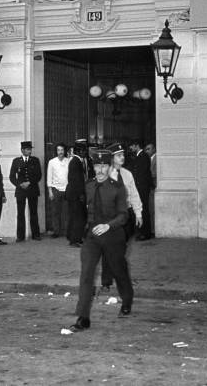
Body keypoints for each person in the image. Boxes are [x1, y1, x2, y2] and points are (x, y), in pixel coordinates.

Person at [68, 150, 133, 333]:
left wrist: (108, 226)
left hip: (113, 236)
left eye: (104, 166)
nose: (101, 170)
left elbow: (123, 216)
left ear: (110, 166)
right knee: (87, 273)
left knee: (119, 270)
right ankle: (83, 317)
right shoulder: (88, 186)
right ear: (93, 167)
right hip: (92, 237)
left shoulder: (117, 188)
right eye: (97, 166)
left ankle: (127, 299)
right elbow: (82, 210)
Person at [100, 142, 143, 290]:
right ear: (112, 158)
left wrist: (138, 213)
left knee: (122, 249)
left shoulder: (127, 174)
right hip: (111, 217)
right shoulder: (104, 174)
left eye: (123, 155)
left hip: (126, 215)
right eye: (119, 155)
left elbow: (134, 194)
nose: (122, 157)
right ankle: (106, 280)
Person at [9, 141, 42, 242]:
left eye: (30, 149)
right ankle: (20, 236)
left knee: (33, 212)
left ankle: (35, 234)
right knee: (20, 213)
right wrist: (19, 184)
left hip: (32, 189)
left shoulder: (35, 160)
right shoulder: (16, 161)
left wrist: (29, 182)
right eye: (28, 149)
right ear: (22, 150)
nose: (30, 151)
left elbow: (39, 175)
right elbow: (11, 177)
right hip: (21, 191)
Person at [128, 139, 153, 240]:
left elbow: (141, 174)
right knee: (140, 209)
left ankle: (145, 233)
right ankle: (141, 231)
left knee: (143, 210)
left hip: (142, 188)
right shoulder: (139, 156)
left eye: (131, 146)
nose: (130, 148)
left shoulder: (143, 156)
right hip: (140, 187)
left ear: (136, 146)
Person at [66, 140, 87, 248]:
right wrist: (81, 194)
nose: (85, 153)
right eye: (84, 151)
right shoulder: (76, 161)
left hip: (73, 193)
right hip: (75, 194)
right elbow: (76, 180)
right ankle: (74, 240)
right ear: (79, 151)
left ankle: (73, 237)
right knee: (78, 217)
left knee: (75, 216)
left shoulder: (75, 161)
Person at [47, 143, 69, 239]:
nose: (60, 152)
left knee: (66, 212)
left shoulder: (68, 161)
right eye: (58, 150)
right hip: (55, 190)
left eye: (62, 150)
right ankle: (56, 231)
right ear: (56, 151)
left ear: (64, 151)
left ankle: (66, 231)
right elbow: (49, 177)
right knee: (55, 212)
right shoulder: (52, 162)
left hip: (67, 190)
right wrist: (50, 191)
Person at [144, 142, 156, 234]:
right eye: (146, 149)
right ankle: (152, 229)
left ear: (154, 149)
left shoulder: (156, 159)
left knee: (153, 209)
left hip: (154, 187)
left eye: (149, 149)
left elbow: (154, 173)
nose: (146, 151)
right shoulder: (149, 159)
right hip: (150, 188)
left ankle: (153, 229)